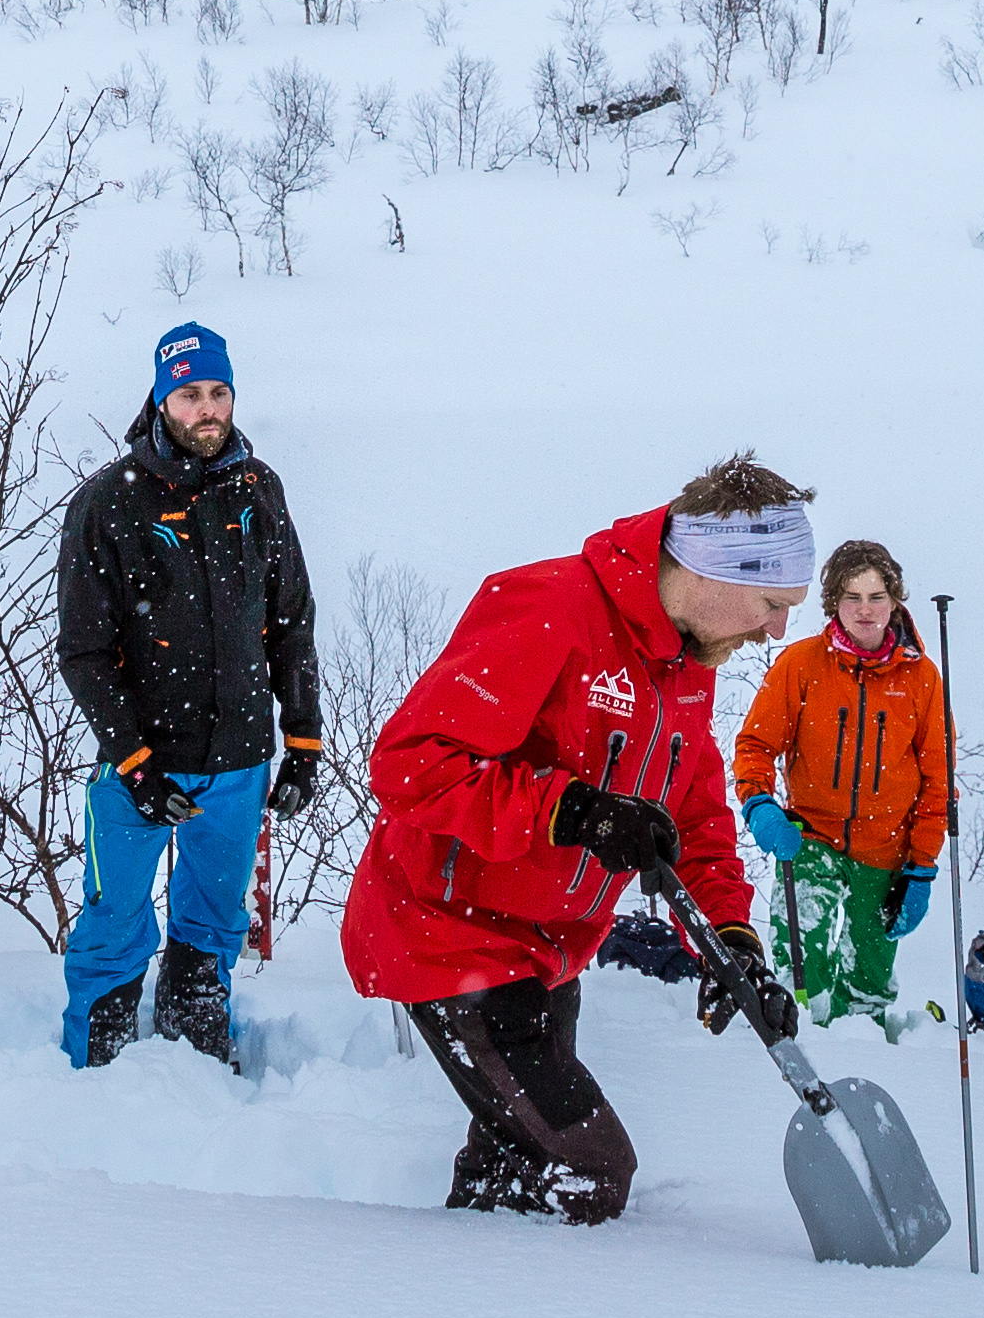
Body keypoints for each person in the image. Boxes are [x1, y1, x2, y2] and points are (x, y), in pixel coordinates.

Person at [342, 454, 814, 1220]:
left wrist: (732, 941)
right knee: (585, 1165)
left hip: (548, 948)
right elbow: (411, 766)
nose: (777, 630)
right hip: (446, 931)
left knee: (517, 1153)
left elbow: (691, 821)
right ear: (709, 571)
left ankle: (460, 1316)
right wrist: (576, 813)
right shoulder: (552, 607)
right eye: (770, 602)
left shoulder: (688, 664)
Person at [51, 319, 323, 1068]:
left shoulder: (258, 489)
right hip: (140, 765)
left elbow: (292, 620)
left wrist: (303, 740)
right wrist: (135, 762)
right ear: (162, 398)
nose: (207, 408)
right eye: (190, 394)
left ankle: (199, 1062)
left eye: (219, 392)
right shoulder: (108, 501)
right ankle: (91, 1068)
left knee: (212, 924)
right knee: (113, 923)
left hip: (237, 762)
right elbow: (83, 652)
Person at [732, 535, 949, 1037]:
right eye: (852, 597)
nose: (865, 610)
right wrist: (759, 803)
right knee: (800, 963)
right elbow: (755, 745)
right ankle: (799, 1036)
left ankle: (866, 1044)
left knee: (870, 972)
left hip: (886, 850)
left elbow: (939, 782)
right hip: (809, 837)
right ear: (834, 603)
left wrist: (922, 865)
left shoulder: (922, 681)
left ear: (894, 601)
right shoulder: (802, 665)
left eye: (877, 597)